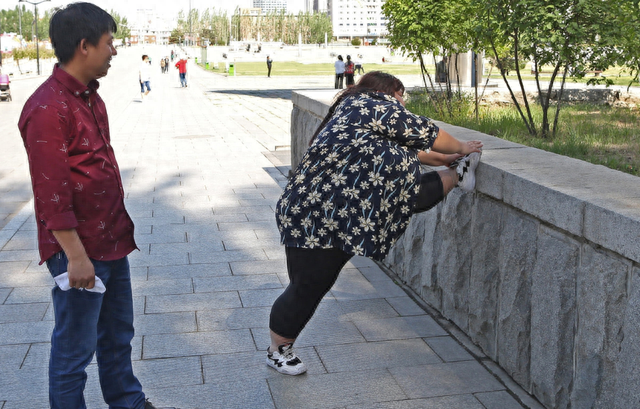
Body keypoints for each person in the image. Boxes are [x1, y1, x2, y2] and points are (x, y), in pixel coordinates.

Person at [266, 71, 483, 376]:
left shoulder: (354, 109)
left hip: (317, 210)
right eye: (401, 94)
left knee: (308, 284)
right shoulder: (376, 104)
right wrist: (461, 148)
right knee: (307, 286)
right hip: (323, 214)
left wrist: (446, 159)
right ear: (388, 90)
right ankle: (278, 350)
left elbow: (420, 152)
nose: (402, 101)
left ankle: (459, 173)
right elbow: (428, 133)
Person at [17, 4, 172, 409]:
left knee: (117, 336)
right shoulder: (47, 108)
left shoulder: (89, 97)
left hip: (110, 241)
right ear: (84, 46)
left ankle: (129, 403)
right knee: (74, 351)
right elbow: (51, 195)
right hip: (79, 252)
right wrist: (76, 257)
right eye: (109, 43)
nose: (115, 51)